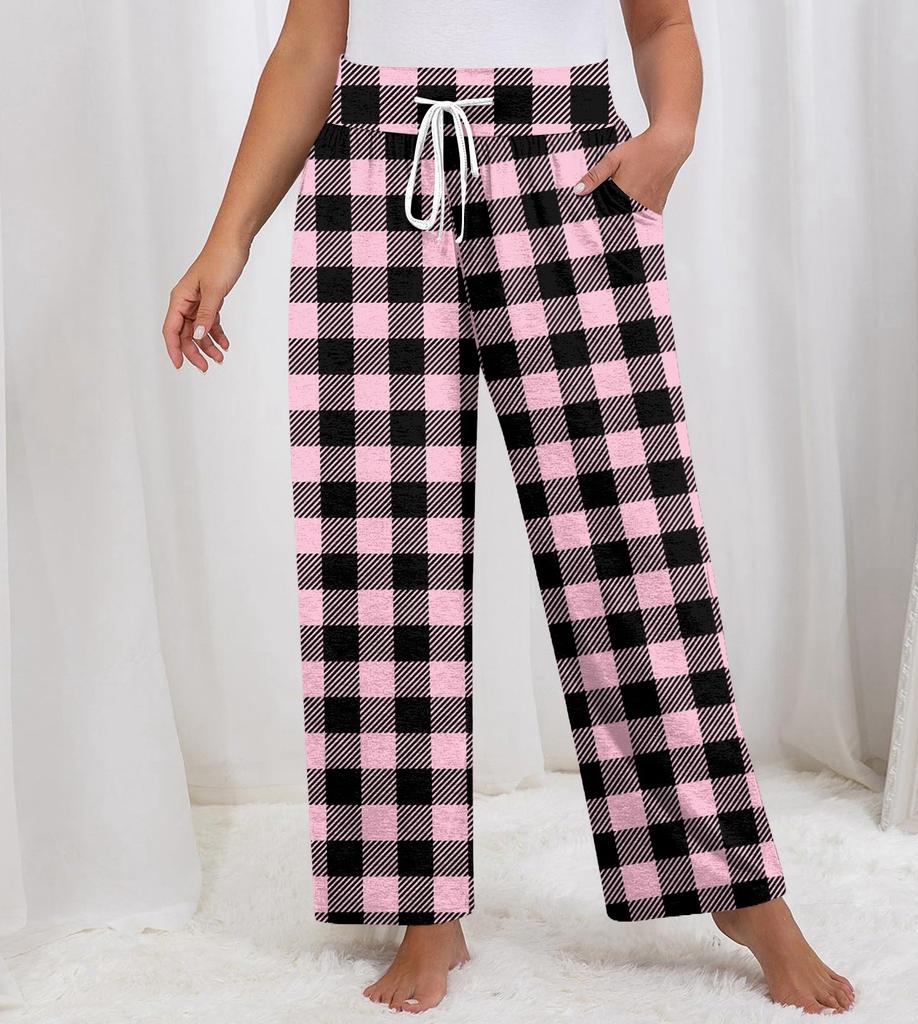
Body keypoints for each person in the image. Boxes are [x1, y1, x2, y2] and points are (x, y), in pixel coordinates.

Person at [162, 0, 854, 1015]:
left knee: (629, 540)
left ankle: (735, 886)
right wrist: (229, 240)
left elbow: (662, 23)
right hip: (375, 168)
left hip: (567, 166)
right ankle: (421, 906)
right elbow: (309, 44)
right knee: (379, 551)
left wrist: (671, 134)